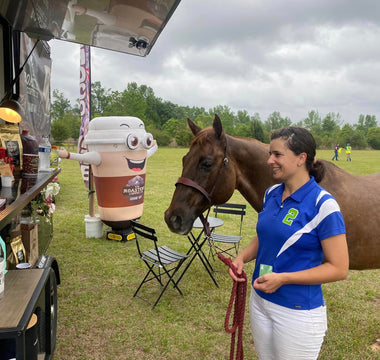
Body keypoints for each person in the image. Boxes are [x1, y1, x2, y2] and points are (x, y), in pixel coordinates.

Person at [229, 127, 349, 360]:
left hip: (297, 312)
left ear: (301, 158)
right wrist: (242, 257)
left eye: (277, 154)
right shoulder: (271, 193)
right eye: (269, 154)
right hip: (260, 302)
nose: (269, 160)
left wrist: (284, 278)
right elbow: (266, 237)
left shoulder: (323, 205)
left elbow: (339, 268)